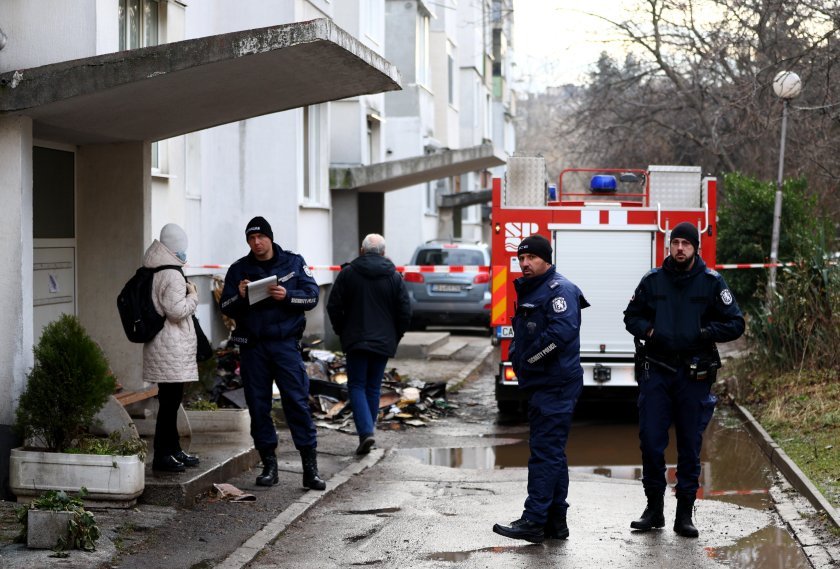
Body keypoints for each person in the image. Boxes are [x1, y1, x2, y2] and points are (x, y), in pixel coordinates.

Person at [624, 221, 744, 537]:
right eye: (675, 242)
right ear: (669, 246)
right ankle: (653, 510)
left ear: (695, 248)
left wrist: (704, 332)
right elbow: (631, 316)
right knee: (651, 441)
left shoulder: (712, 283)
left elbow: (735, 324)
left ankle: (684, 514)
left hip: (694, 374)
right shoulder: (652, 281)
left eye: (685, 244)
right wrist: (649, 330)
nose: (680, 248)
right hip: (657, 371)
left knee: (689, 446)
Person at [492, 234, 589, 544]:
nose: (524, 263)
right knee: (552, 454)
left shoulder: (559, 290)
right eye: (521, 258)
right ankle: (556, 523)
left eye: (531, 258)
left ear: (546, 259)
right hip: (543, 384)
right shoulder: (534, 289)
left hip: (555, 384)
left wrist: (530, 360)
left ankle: (534, 520)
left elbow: (560, 333)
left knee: (544, 454)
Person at [219, 216, 325, 490]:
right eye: (251, 239)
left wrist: (287, 296)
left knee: (297, 403)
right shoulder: (239, 269)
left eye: (260, 238)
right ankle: (269, 466)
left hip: (285, 345)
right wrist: (240, 296)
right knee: (258, 407)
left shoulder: (292, 262)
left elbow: (312, 296)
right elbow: (227, 306)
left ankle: (310, 469)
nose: (256, 243)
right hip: (253, 347)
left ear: (270, 237)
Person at [326, 234, 411, 455]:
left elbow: (333, 306)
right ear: (383, 252)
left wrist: (342, 332)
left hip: (355, 340)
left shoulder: (348, 274)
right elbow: (405, 312)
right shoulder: (394, 276)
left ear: (361, 250)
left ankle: (366, 433)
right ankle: (368, 431)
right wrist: (395, 335)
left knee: (356, 386)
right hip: (383, 341)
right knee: (373, 387)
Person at [143, 223, 201, 473]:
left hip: (164, 346)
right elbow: (177, 312)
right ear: (177, 247)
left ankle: (173, 449)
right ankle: (163, 455)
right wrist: (194, 296)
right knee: (169, 404)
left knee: (170, 401)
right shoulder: (172, 274)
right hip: (171, 347)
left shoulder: (157, 269)